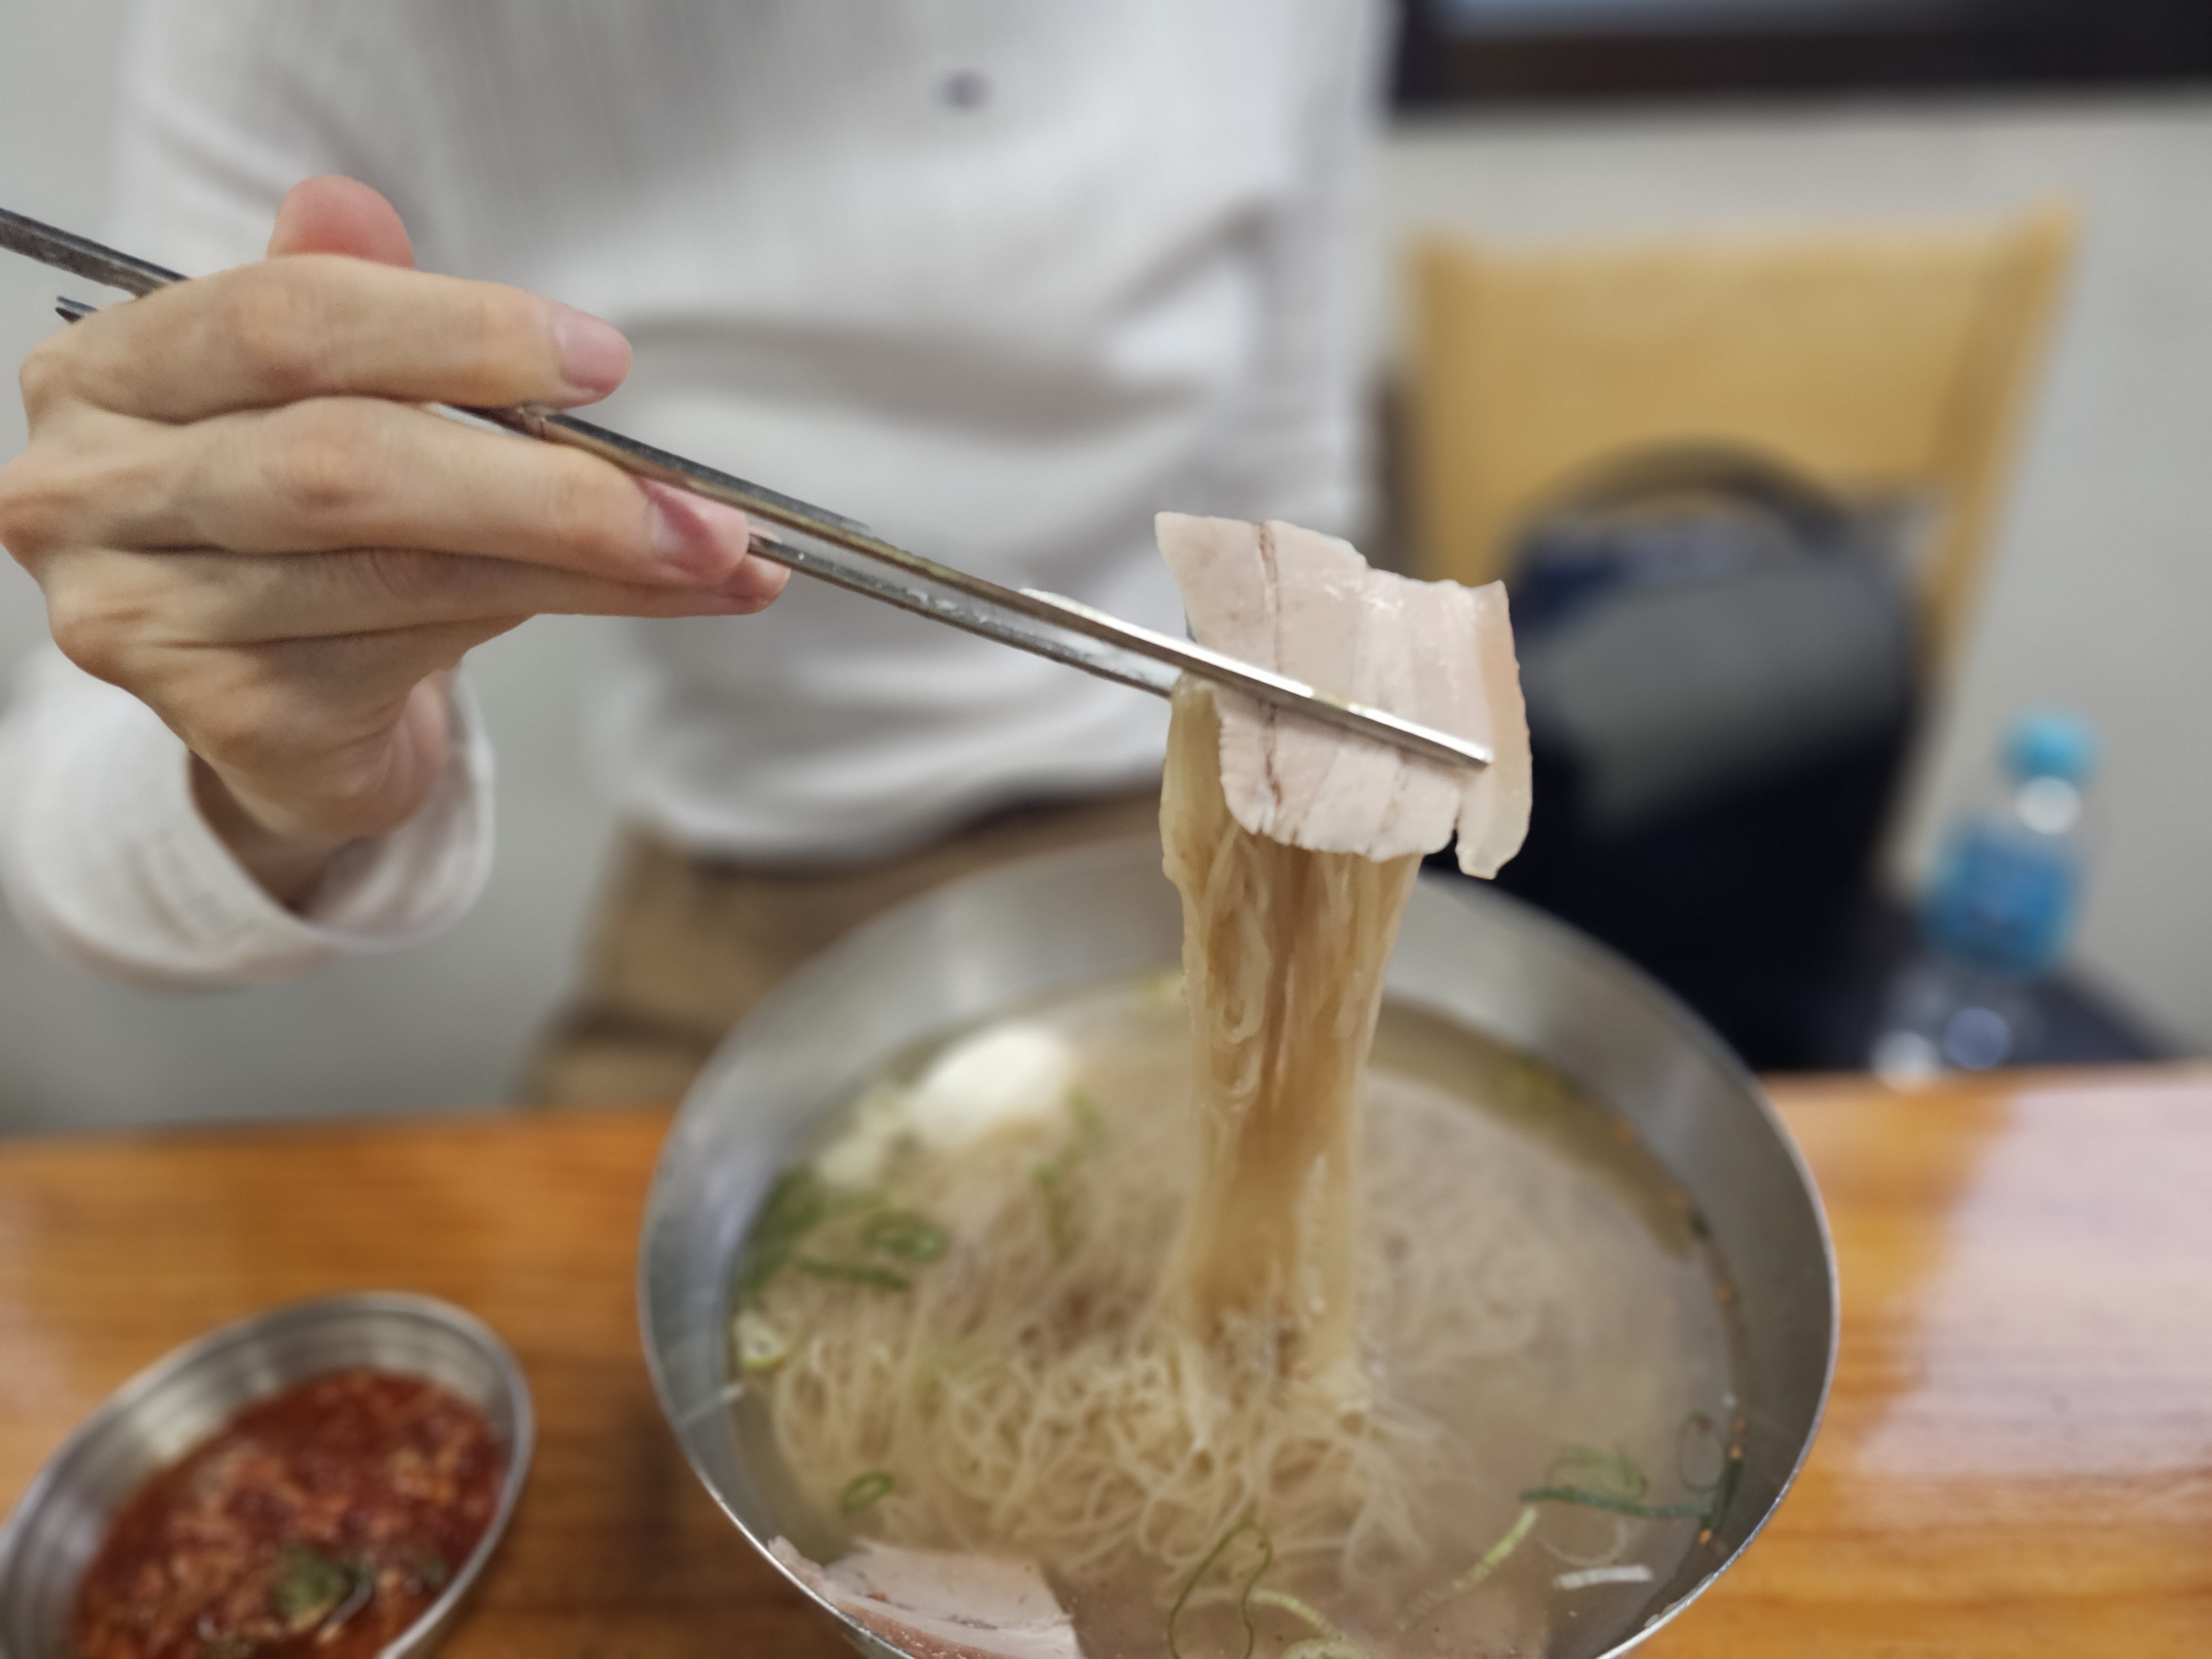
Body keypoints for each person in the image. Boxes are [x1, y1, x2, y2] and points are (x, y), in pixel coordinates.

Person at [0, 1, 1383, 1103]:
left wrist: (1322, 832)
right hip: (746, 884)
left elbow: (1289, 497)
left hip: (1175, 827)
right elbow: (87, 837)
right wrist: (275, 747)